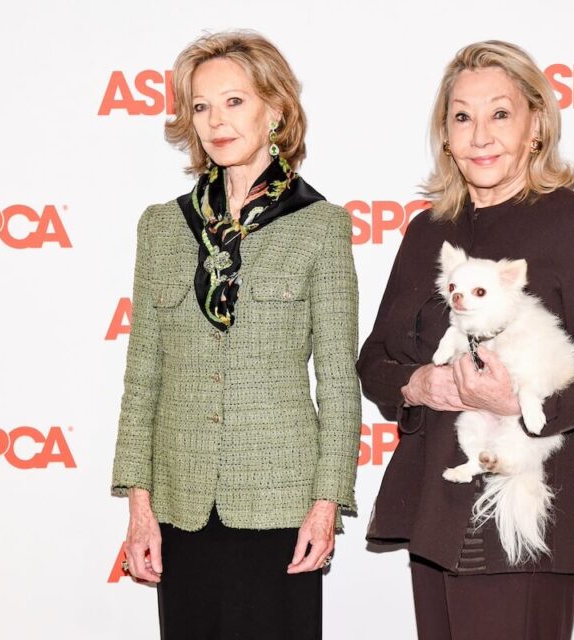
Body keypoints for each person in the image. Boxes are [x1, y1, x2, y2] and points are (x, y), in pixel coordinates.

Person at [357, 40, 574, 640]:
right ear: (445, 133)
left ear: (535, 126)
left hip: (530, 511)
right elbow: (375, 362)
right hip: (436, 505)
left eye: (500, 114)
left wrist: (522, 404)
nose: (480, 134)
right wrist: (421, 383)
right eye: (462, 116)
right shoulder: (426, 233)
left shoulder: (572, 223)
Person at [111, 31, 360, 640]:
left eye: (234, 102)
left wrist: (326, 505)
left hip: (281, 502)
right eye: (201, 106)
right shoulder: (163, 227)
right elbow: (143, 375)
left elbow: (338, 381)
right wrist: (140, 509)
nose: (216, 122)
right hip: (181, 502)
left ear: (274, 110)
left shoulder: (319, 226)